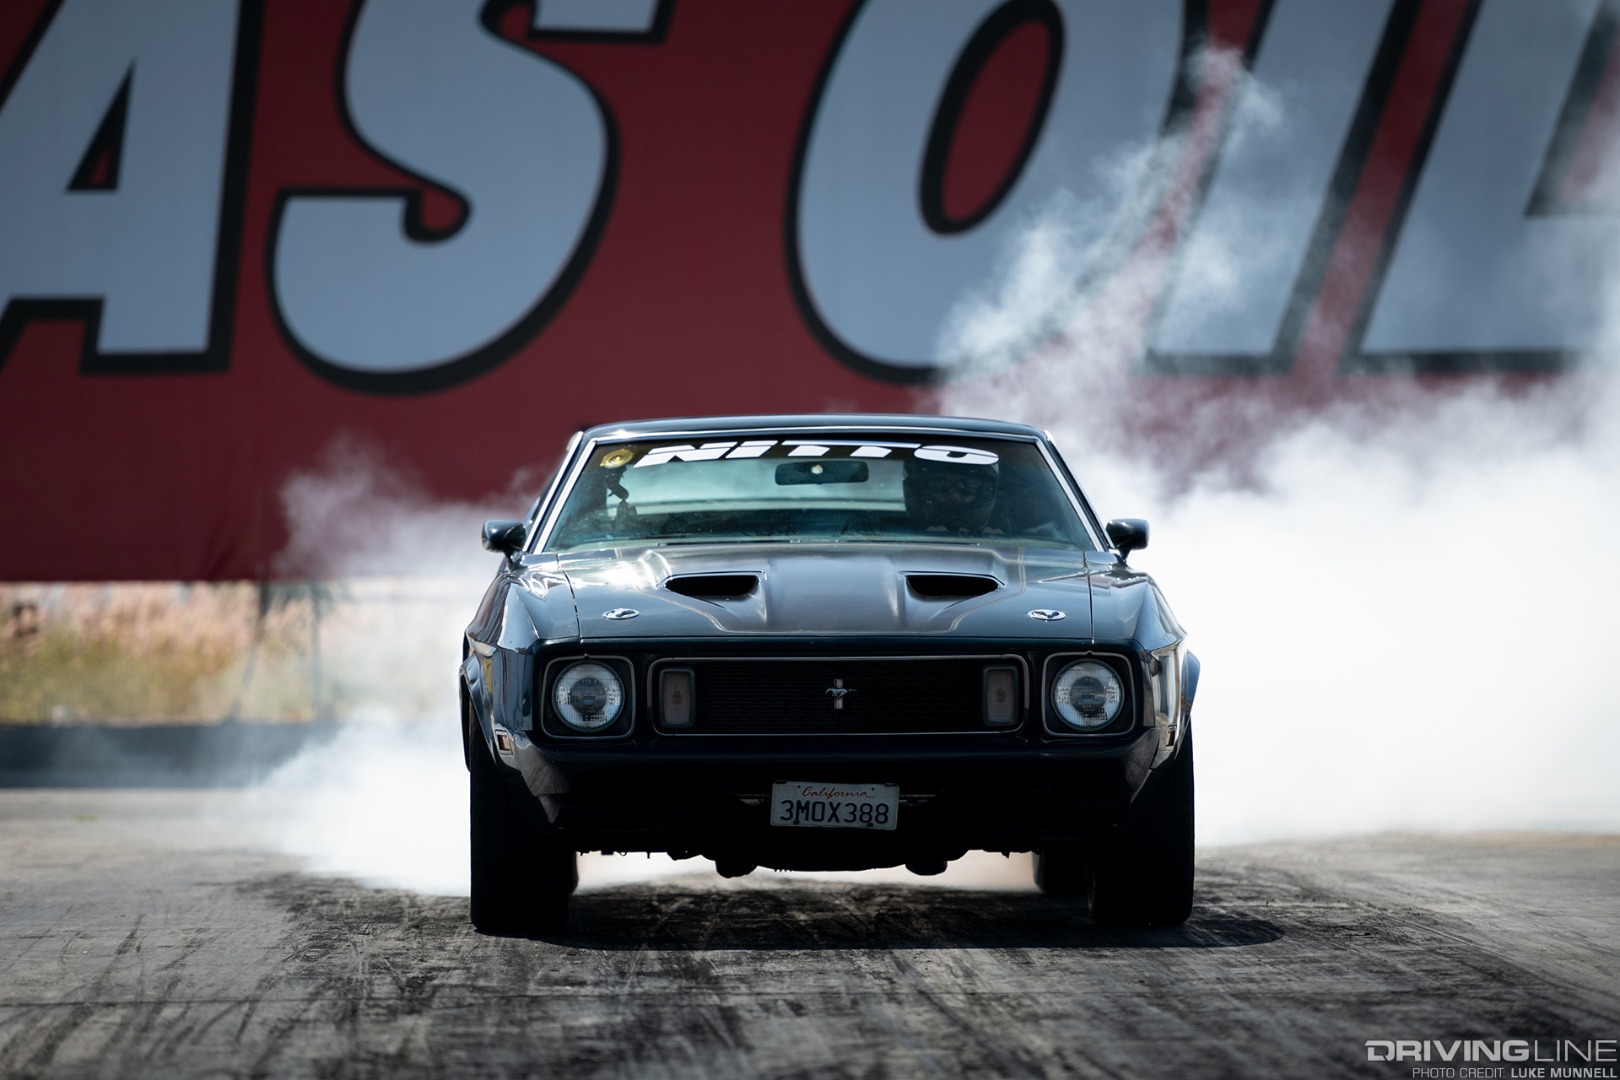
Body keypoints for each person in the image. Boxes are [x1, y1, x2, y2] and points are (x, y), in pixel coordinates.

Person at [902, 456, 999, 534]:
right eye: (939, 484)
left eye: (967, 485)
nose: (953, 496)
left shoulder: (1006, 548)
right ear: (919, 491)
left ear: (984, 493)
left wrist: (990, 541)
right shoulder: (892, 537)